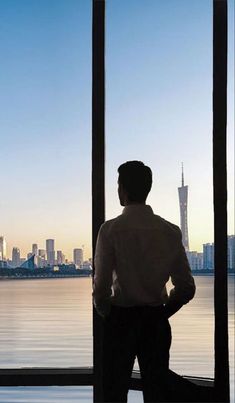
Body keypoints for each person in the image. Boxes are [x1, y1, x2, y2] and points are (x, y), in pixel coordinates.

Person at [93, 160, 196, 402]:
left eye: (118, 185)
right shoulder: (170, 231)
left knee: (114, 393)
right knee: (157, 392)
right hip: (155, 323)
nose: (117, 190)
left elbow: (100, 290)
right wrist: (161, 312)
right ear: (147, 188)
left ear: (124, 190)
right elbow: (186, 288)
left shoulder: (109, 230)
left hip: (120, 322)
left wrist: (108, 313)